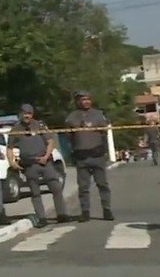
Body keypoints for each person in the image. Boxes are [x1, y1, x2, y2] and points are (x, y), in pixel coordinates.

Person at [7, 104, 69, 228]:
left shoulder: (39, 125)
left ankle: (62, 214)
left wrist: (46, 156)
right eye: (24, 113)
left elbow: (51, 142)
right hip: (30, 165)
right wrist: (12, 162)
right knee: (35, 193)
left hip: (45, 162)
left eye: (29, 113)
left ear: (32, 114)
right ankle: (41, 218)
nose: (26, 116)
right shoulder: (16, 129)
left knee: (56, 188)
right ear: (20, 114)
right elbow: (10, 148)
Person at [64, 91, 114, 222]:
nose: (86, 101)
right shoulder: (72, 117)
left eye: (88, 99)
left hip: (97, 155)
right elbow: (69, 137)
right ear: (78, 101)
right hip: (82, 157)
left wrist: (103, 150)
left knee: (102, 185)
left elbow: (104, 132)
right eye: (83, 99)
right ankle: (85, 212)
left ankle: (107, 210)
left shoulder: (98, 114)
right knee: (83, 187)